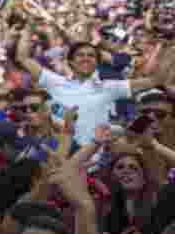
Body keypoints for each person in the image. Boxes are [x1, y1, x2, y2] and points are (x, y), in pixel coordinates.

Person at [17, 27, 174, 146]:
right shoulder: (56, 82)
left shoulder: (111, 87)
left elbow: (156, 79)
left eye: (91, 55)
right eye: (80, 55)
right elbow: (23, 58)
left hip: (96, 161)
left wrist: (169, 49)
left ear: (97, 63)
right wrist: (28, 28)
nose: (86, 58)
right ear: (70, 62)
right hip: (63, 156)